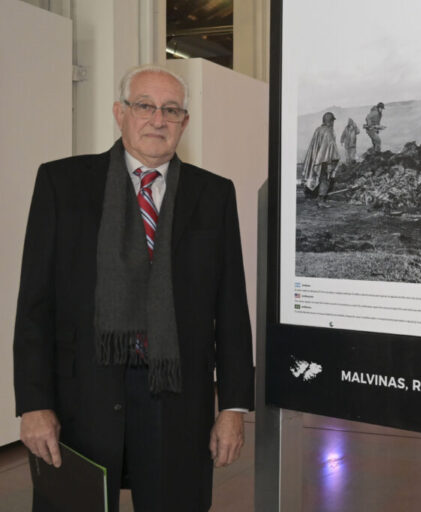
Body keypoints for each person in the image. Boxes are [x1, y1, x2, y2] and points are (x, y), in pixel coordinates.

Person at [13, 65, 254, 512]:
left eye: (171, 110)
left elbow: (232, 309)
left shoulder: (214, 195)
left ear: (184, 122)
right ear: (119, 113)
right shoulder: (62, 184)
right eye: (144, 106)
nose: (157, 119)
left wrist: (233, 408)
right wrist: (33, 404)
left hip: (178, 401)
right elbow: (35, 305)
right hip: (80, 398)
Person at [302, 112, 340, 207]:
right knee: (325, 178)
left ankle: (312, 197)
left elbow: (315, 146)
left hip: (317, 159)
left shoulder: (318, 130)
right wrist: (332, 161)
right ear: (330, 121)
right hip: (325, 160)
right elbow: (331, 147)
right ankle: (321, 201)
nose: (333, 123)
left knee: (318, 178)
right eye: (332, 121)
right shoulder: (329, 131)